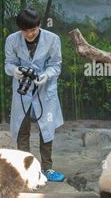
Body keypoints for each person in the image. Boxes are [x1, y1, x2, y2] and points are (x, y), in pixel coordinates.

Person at [4, 9, 65, 182]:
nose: (30, 34)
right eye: (25, 31)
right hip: (22, 91)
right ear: (20, 29)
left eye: (34, 30)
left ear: (39, 26)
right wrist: (15, 71)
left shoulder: (53, 39)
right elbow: (8, 64)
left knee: (46, 130)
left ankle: (48, 169)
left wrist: (47, 75)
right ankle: (25, 170)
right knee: (22, 130)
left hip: (45, 89)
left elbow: (56, 65)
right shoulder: (11, 40)